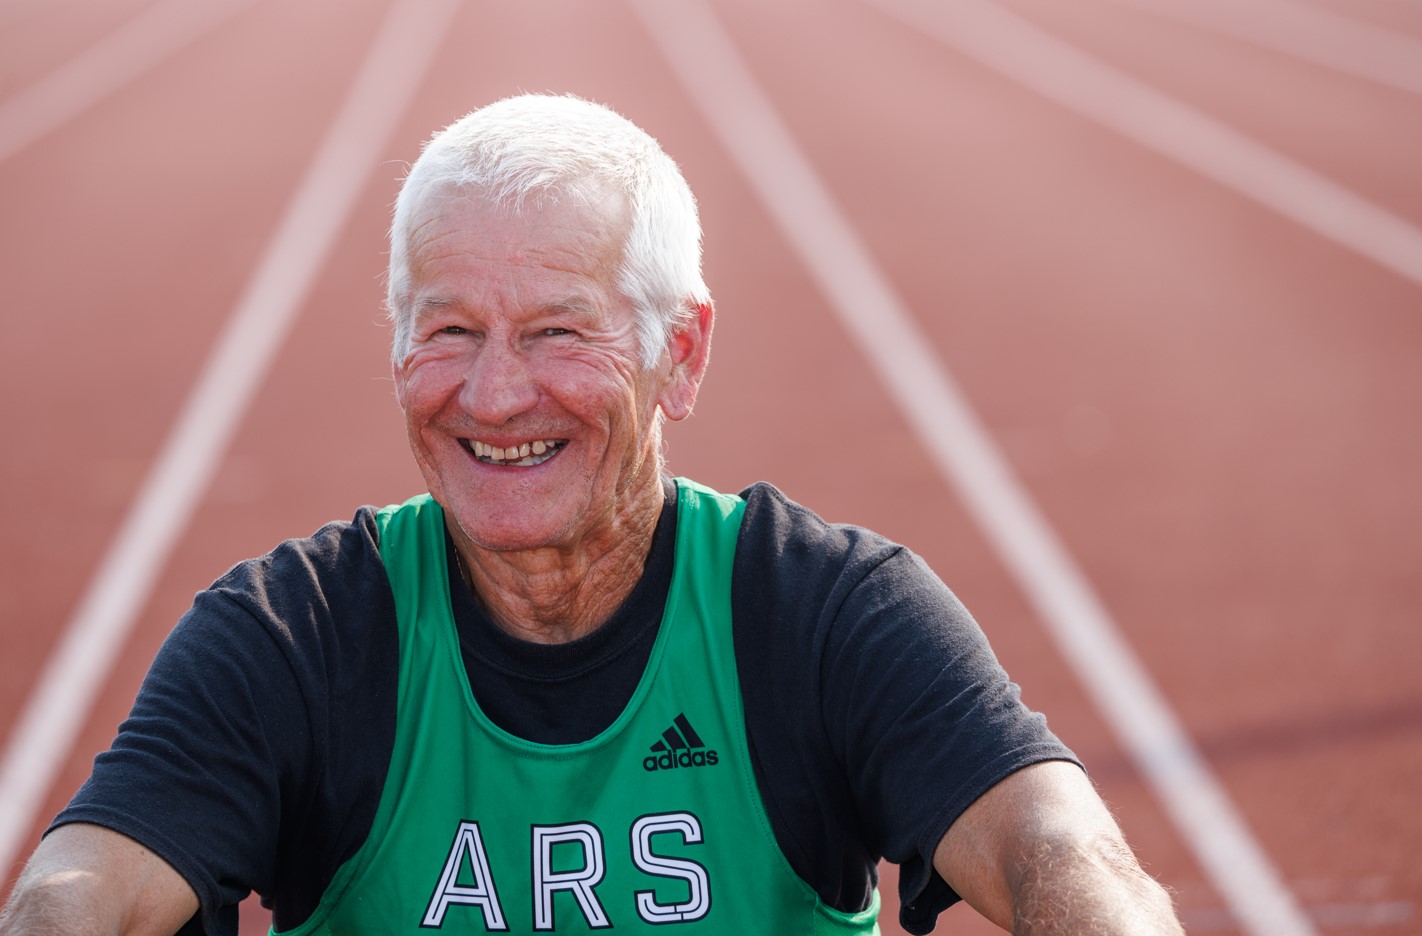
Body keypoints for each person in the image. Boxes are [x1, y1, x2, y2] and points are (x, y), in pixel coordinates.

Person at [2, 94, 1182, 935]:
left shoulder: (816, 615)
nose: (495, 392)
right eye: (450, 328)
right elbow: (78, 890)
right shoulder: (299, 637)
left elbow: (1059, 856)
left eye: (559, 330)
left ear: (681, 352)